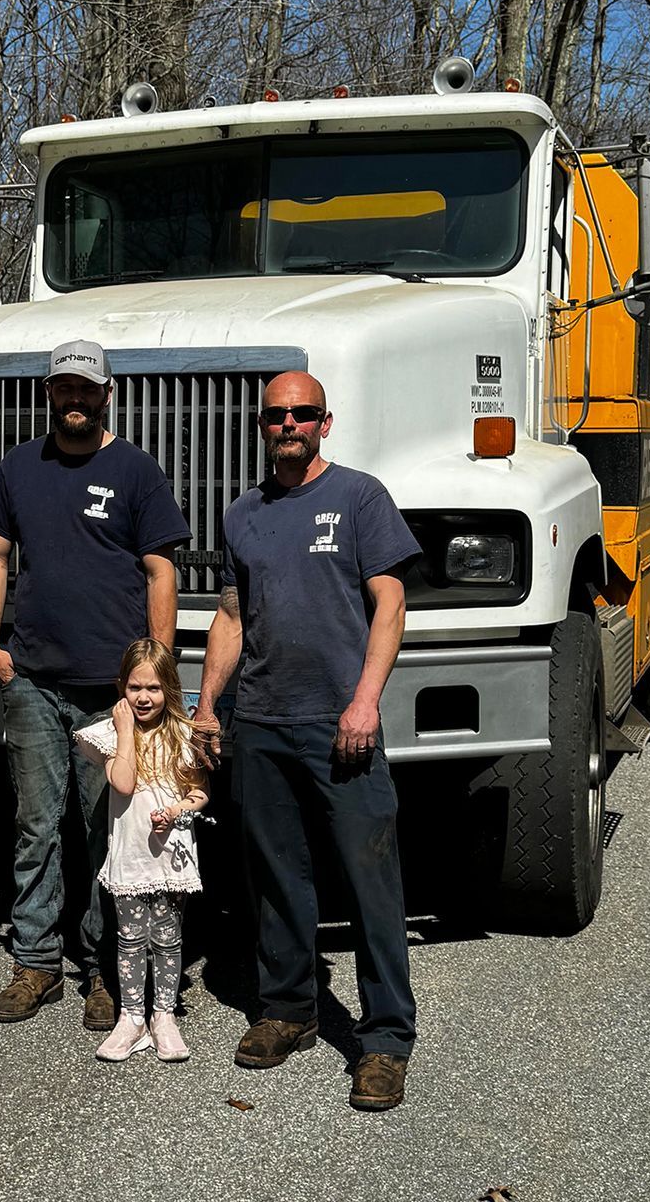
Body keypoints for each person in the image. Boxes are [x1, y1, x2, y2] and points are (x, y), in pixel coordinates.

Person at [193, 370, 422, 1111]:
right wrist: (206, 708)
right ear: (261, 426)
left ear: (325, 422)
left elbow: (390, 603)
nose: (288, 425)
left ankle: (385, 1038)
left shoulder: (359, 497)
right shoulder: (243, 514)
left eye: (302, 414)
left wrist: (364, 702)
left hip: (339, 724)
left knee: (368, 879)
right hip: (259, 720)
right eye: (275, 416)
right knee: (274, 876)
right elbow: (232, 613)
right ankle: (288, 1009)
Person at [0, 339, 191, 1029]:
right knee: (36, 826)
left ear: (106, 394)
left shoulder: (135, 471)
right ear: (50, 394)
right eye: (63, 388)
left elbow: (161, 571)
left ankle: (102, 967)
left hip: (112, 693)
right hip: (34, 681)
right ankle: (36, 963)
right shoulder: (18, 468)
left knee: (107, 830)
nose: (74, 399)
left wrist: (154, 667)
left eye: (85, 389)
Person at [76, 639, 213, 1063]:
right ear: (122, 687)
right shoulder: (110, 735)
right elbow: (123, 783)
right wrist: (123, 732)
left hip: (170, 858)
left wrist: (177, 810)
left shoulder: (182, 735)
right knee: (131, 938)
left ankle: (164, 1015)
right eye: (135, 687)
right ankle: (132, 1017)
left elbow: (200, 792)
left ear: (168, 689)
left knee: (169, 939)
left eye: (153, 688)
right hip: (132, 857)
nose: (143, 697)